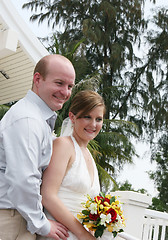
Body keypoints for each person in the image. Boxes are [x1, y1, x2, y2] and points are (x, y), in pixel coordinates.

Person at [0, 54, 76, 240]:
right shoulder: (28, 120)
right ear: (37, 79)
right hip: (11, 220)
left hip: (18, 216)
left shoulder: (36, 117)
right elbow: (23, 179)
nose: (65, 92)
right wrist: (41, 223)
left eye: (70, 86)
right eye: (59, 83)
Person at [37, 90, 108, 240]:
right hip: (61, 234)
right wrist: (82, 234)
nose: (93, 124)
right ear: (72, 117)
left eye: (99, 119)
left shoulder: (89, 155)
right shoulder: (63, 145)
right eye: (87, 117)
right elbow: (48, 195)